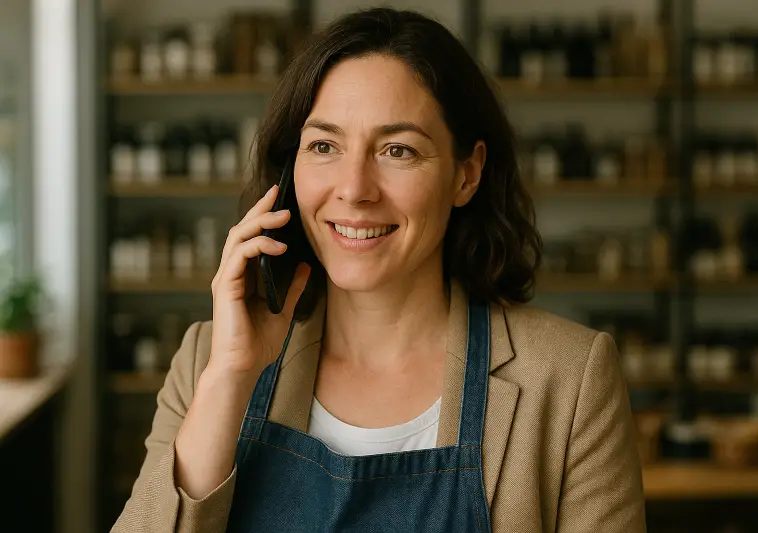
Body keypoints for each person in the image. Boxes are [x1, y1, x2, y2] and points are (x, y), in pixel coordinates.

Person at [112, 7, 646, 532]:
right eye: (324, 145)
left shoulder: (570, 379)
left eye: (397, 150)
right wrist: (230, 378)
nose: (354, 189)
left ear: (466, 174)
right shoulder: (208, 363)